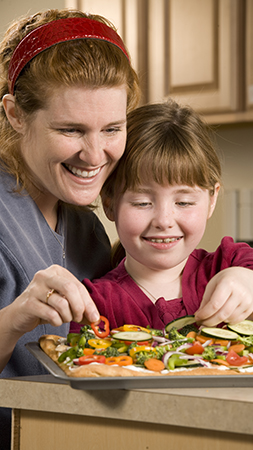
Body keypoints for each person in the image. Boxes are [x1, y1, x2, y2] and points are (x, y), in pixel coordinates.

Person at [0, 8, 140, 449]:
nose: (95, 154)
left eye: (112, 128)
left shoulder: (87, 227)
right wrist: (14, 320)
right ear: (15, 114)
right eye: (71, 129)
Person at [70, 100, 253, 335]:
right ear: (109, 203)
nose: (164, 220)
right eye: (142, 203)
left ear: (211, 200)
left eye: (184, 202)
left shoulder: (230, 262)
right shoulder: (95, 303)